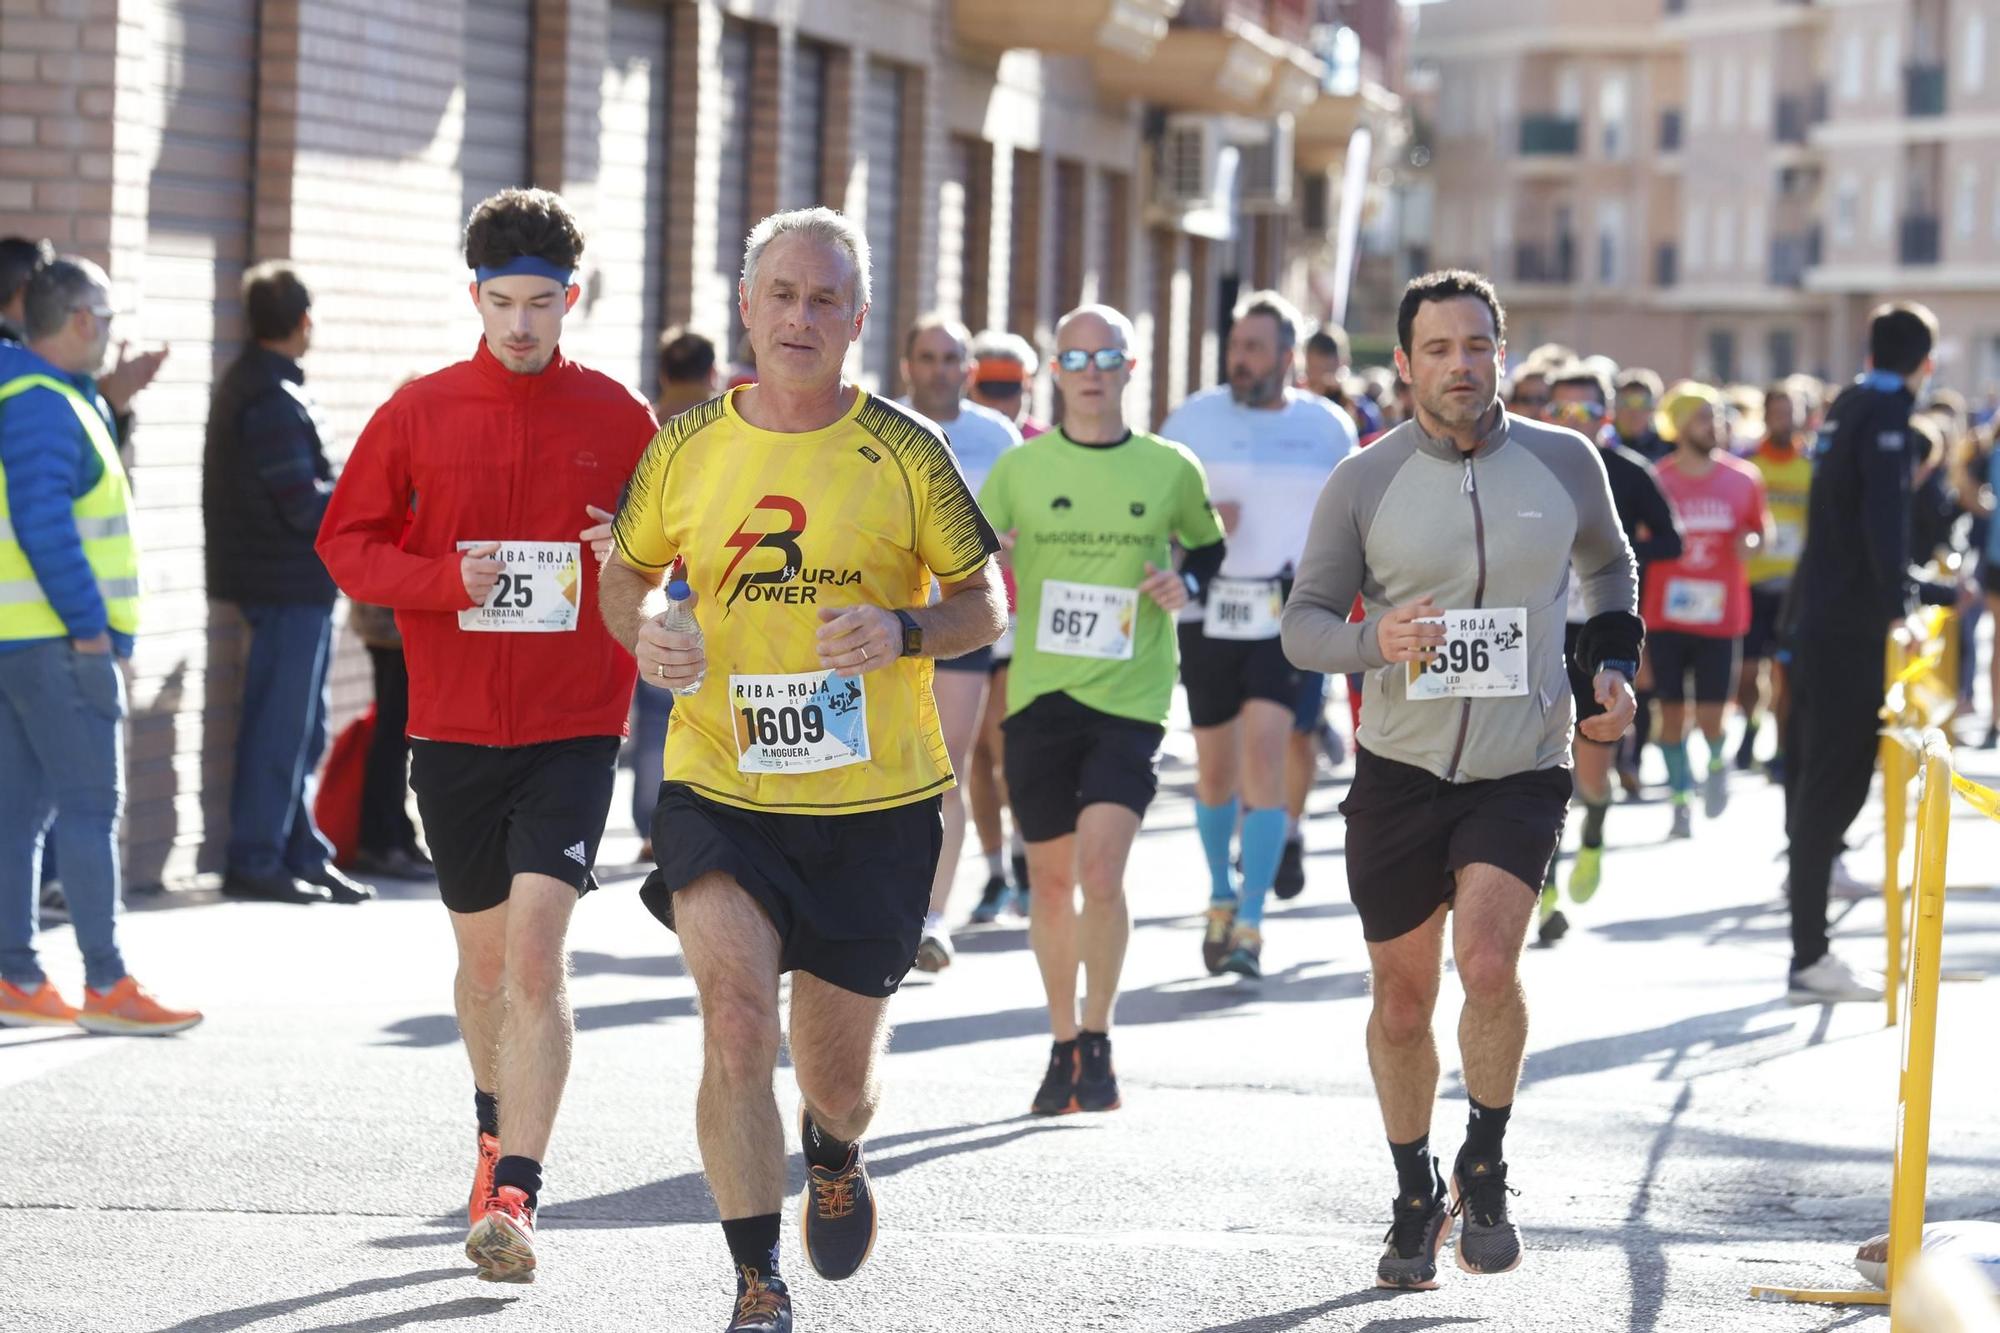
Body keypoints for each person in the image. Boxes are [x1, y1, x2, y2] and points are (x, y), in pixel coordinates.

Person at [602, 207, 1005, 1333]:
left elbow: (984, 601)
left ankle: (832, 1146)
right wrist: (647, 633)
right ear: (745, 308)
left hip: (872, 801)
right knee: (734, 1021)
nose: (799, 316)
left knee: (834, 1074)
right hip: (720, 782)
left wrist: (904, 629)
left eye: (824, 298)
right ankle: (754, 1277)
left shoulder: (906, 450)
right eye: (780, 293)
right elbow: (625, 578)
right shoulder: (685, 445)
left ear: (857, 321)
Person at [317, 188, 657, 1281]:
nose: (520, 324)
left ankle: (517, 1191)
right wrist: (436, 578)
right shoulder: (418, 410)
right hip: (454, 727)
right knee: (478, 969)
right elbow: (346, 540)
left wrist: (633, 557)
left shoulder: (619, 417)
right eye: (501, 301)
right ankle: (490, 1127)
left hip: (572, 726)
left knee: (535, 955)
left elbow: (677, 557)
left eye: (542, 302)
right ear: (474, 295)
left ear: (572, 298)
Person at [1281, 270, 1640, 1290]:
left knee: (1485, 964)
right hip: (1397, 771)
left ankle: (1483, 1158)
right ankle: (1411, 1187)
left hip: (1518, 764)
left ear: (1501, 353)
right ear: (1401, 364)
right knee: (1400, 1001)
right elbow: (1302, 626)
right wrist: (1373, 640)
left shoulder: (1564, 460)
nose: (1458, 365)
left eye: (1475, 345)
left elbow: (1608, 569)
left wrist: (1606, 663)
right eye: (1435, 349)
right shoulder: (1362, 479)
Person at [980, 302, 1227, 1115]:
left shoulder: (1169, 467)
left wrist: (1183, 582)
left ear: (1129, 367)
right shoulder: (1020, 468)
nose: (1090, 374)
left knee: (1101, 870)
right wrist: (996, 558)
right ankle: (1061, 1043)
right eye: (1074, 359)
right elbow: (970, 552)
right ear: (1056, 373)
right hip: (1040, 692)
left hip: (1132, 694)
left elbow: (1211, 546)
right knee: (1049, 885)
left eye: (1105, 357)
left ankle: (1099, 1034)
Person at [0, 256, 202, 1035]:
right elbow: (44, 524)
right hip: (59, 645)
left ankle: (16, 974)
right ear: (81, 319)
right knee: (90, 810)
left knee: (20, 816)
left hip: (22, 642)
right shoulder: (45, 404)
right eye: (108, 319)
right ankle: (108, 983)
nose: (110, 333)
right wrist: (92, 629)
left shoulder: (36, 394)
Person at [1161, 290, 1353, 978]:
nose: (1240, 359)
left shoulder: (1328, 427)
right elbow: (1156, 511)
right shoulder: (1192, 419)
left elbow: (1349, 517)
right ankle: (1219, 891)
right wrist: (1198, 526)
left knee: (1267, 752)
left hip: (1286, 614)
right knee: (1215, 770)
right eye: (1235, 346)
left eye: (1254, 347)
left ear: (1288, 357)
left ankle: (1250, 921)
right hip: (1205, 613)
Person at [1782, 303, 1959, 1005]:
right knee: (1834, 780)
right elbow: (1883, 520)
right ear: (1927, 360)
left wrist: (1914, 589)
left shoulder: (1850, 400)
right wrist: (1900, 608)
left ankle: (1811, 931)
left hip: (1822, 616)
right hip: (1850, 624)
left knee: (1825, 780)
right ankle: (1809, 956)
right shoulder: (1885, 411)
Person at [204, 263, 370, 906]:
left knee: (304, 726)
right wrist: (365, 495)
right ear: (303, 322)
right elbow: (304, 504)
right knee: (281, 726)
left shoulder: (268, 388)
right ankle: (257, 857)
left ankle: (301, 851)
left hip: (292, 584)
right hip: (282, 586)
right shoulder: (269, 398)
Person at [1538, 365, 1681, 944]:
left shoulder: (1628, 472)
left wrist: (1614, 556)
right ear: (1547, 415)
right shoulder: (1525, 472)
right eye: (1562, 412)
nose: (1575, 423)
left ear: (1608, 416)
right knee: (1542, 773)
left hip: (1602, 635)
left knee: (1590, 776)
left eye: (1587, 412)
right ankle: (1544, 895)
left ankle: (1593, 832)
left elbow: (1672, 540)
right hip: (1540, 635)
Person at [901, 313, 1022, 970]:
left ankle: (934, 916)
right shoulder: (879, 423)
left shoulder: (995, 435)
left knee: (945, 759)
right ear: (907, 366)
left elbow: (1018, 524)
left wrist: (1012, 566)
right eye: (929, 357)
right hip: (886, 620)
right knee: (885, 757)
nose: (940, 369)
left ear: (968, 370)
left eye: (952, 358)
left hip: (963, 619)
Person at [1640, 382, 1770, 841]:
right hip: (1666, 617)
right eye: (1701, 418)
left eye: (1716, 417)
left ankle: (1716, 762)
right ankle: (1680, 798)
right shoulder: (1657, 478)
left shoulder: (1743, 478)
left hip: (1721, 616)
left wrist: (1750, 543)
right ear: (1676, 424)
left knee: (1714, 716)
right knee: (1671, 716)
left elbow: (1760, 532)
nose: (1712, 427)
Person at [629, 327, 725, 856]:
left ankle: (651, 827)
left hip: (657, 583)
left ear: (664, 372)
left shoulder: (647, 424)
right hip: (716, 588)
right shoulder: (727, 428)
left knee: (654, 706)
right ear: (712, 373)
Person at [964, 329, 1042, 921]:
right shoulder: (955, 436)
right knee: (974, 758)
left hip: (1023, 617)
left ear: (1030, 389)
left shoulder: (1043, 447)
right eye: (988, 387)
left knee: (1005, 745)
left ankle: (1021, 861)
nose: (999, 400)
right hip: (964, 614)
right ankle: (995, 871)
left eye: (1009, 389)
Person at [1735, 381, 1813, 781]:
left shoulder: (1812, 466)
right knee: (1747, 675)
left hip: (1793, 590)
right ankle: (1750, 726)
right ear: (1765, 415)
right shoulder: (1748, 466)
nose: (1784, 419)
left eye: (1792, 412)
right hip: (1751, 585)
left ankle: (1780, 751)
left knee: (1784, 675)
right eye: (1777, 412)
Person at [346, 600, 430, 878]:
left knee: (395, 735)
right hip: (398, 622)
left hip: (395, 621)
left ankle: (397, 838)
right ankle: (381, 842)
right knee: (393, 736)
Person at [1305, 323, 1383, 435]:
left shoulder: (1362, 412)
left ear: (1343, 362)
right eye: (1314, 369)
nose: (1322, 384)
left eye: (1327, 371)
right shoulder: (1294, 405)